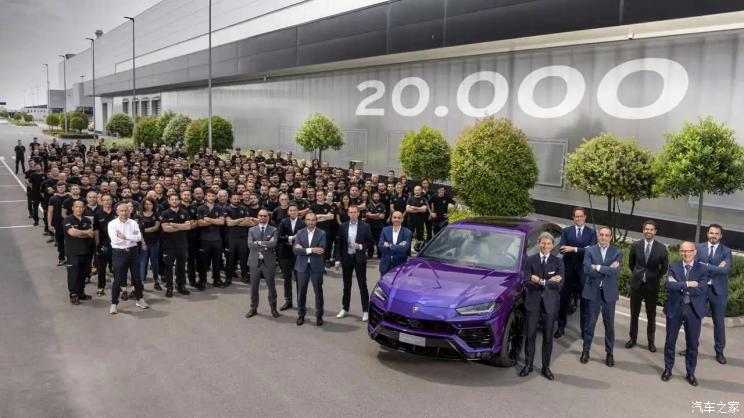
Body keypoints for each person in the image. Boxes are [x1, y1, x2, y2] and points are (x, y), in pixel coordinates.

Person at [662, 242, 708, 386]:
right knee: (670, 341)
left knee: (692, 344)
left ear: (695, 252)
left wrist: (679, 285)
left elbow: (702, 289)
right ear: (680, 252)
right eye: (683, 251)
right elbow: (668, 285)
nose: (686, 253)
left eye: (689, 251)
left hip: (693, 310)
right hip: (675, 308)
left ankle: (690, 373)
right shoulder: (674, 266)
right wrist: (688, 284)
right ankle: (668, 369)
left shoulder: (702, 268)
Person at [520, 232, 564, 380]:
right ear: (539, 243)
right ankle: (528, 365)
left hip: (550, 305)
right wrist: (550, 281)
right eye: (543, 243)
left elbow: (559, 285)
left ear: (553, 245)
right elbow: (526, 282)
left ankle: (546, 367)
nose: (546, 246)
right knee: (530, 335)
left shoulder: (558, 262)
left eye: (549, 244)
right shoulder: (530, 260)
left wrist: (540, 281)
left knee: (548, 337)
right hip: (533, 303)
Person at [580, 227, 621, 367]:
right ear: (598, 236)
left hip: (609, 294)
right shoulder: (590, 251)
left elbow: (615, 271)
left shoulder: (617, 252)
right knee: (590, 324)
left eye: (606, 235)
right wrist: (607, 269)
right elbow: (587, 270)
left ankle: (610, 353)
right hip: (593, 292)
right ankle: (586, 350)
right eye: (601, 235)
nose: (603, 237)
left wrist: (597, 267)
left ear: (611, 237)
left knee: (609, 326)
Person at [626, 220, 668, 352]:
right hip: (637, 285)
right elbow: (631, 264)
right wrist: (638, 274)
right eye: (646, 229)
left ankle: (651, 342)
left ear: (655, 232)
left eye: (651, 229)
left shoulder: (661, 248)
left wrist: (654, 277)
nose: (648, 231)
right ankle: (632, 339)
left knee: (651, 316)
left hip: (652, 286)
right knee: (634, 314)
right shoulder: (636, 245)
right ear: (643, 230)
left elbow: (664, 267)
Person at [557, 207, 597, 339]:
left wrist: (573, 248)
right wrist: (583, 249)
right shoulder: (566, 231)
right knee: (563, 300)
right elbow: (562, 248)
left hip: (583, 271)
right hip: (568, 270)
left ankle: (584, 330)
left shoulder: (591, 233)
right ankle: (561, 326)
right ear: (573, 218)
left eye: (581, 216)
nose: (579, 218)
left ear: (585, 217)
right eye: (576, 216)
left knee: (584, 302)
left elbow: (591, 250)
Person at [695, 224, 732, 364]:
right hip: (701, 289)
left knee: (719, 322)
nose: (713, 236)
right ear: (707, 233)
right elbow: (695, 265)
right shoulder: (699, 248)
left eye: (717, 234)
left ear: (720, 236)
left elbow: (725, 270)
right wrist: (716, 267)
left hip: (719, 292)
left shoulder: (726, 251)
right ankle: (692, 347)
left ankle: (719, 351)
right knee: (695, 319)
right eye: (711, 233)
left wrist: (705, 266)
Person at [108, 202, 149, 314]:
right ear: (117, 212)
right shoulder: (112, 224)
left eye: (126, 210)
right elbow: (115, 240)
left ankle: (140, 299)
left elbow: (138, 237)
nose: (124, 213)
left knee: (137, 278)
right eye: (121, 211)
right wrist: (131, 238)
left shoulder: (134, 223)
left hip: (133, 252)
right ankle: (114, 304)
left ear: (129, 211)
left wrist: (125, 236)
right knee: (118, 279)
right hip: (119, 253)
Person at [336, 205, 373, 322]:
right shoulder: (343, 226)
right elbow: (339, 244)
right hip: (347, 258)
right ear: (348, 214)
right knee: (346, 285)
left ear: (358, 213)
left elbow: (370, 242)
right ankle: (345, 308)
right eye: (350, 212)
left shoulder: (365, 226)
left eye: (354, 212)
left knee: (362, 285)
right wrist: (337, 259)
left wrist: (361, 246)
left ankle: (365, 310)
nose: (352, 214)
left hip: (359, 259)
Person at [293, 212, 326, 326]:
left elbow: (321, 250)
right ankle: (301, 315)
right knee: (301, 292)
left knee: (318, 292)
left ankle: (319, 315)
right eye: (308, 220)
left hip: (316, 266)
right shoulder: (299, 232)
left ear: (316, 221)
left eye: (313, 220)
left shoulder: (322, 233)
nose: (311, 222)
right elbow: (295, 250)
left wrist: (304, 249)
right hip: (302, 267)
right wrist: (312, 250)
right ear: (305, 221)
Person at [245, 209, 279, 318]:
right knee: (254, 287)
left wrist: (259, 242)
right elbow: (250, 245)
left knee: (271, 286)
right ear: (258, 216)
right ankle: (253, 308)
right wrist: (266, 243)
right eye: (261, 215)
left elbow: (273, 243)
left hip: (268, 262)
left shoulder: (273, 229)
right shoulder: (251, 230)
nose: (263, 217)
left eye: (265, 216)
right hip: (254, 262)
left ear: (268, 217)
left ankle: (273, 309)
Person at [160, 194, 192, 297]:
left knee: (181, 266)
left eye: (176, 199)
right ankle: (169, 287)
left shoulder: (184, 212)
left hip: (182, 244)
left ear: (179, 201)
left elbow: (188, 226)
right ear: (169, 201)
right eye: (172, 199)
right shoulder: (165, 213)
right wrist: (182, 226)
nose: (174, 201)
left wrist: (174, 225)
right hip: (169, 245)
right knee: (168, 267)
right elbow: (166, 229)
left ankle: (181, 285)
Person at [63, 200, 95, 305]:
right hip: (73, 252)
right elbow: (72, 233)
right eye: (77, 207)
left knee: (84, 274)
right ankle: (73, 294)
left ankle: (81, 292)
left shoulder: (87, 220)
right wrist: (85, 232)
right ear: (73, 208)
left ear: (84, 208)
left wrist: (80, 233)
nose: (79, 209)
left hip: (86, 251)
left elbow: (92, 234)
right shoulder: (68, 219)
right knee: (73, 274)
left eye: (81, 207)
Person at [277, 204, 304, 311]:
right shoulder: (283, 222)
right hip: (285, 254)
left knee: (299, 279)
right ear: (288, 212)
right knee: (287, 278)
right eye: (291, 210)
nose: (293, 212)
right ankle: (288, 301)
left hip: (298, 255)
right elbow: (279, 237)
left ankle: (300, 302)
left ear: (298, 211)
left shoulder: (303, 223)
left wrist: (296, 242)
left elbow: (305, 238)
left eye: (295, 210)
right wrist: (290, 238)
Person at [197, 189, 225, 288]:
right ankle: (202, 280)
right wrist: (215, 221)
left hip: (217, 239)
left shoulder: (219, 208)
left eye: (213, 196)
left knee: (216, 261)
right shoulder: (200, 208)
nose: (211, 198)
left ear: (216, 197)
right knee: (203, 261)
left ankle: (217, 280)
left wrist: (208, 219)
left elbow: (222, 222)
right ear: (205, 197)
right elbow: (200, 223)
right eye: (209, 196)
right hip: (204, 239)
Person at [224, 193, 251, 284]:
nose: (236, 200)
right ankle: (228, 277)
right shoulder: (226, 209)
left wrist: (234, 222)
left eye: (238, 199)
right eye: (234, 199)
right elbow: (229, 223)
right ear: (230, 199)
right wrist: (240, 219)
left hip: (243, 237)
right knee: (230, 259)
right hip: (231, 238)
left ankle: (245, 275)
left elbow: (247, 223)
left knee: (244, 258)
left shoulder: (244, 208)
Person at [137, 197, 162, 290]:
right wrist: (141, 231)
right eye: (146, 204)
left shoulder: (156, 214)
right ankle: (141, 282)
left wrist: (143, 230)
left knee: (154, 262)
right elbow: (137, 229)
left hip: (154, 242)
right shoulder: (139, 215)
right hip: (143, 242)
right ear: (143, 205)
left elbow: (156, 228)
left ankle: (156, 281)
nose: (148, 206)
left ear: (153, 205)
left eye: (150, 204)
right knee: (143, 263)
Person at [93, 194, 116, 296]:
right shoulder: (98, 214)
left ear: (112, 201)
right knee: (101, 269)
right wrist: (97, 244)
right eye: (105, 200)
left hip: (116, 245)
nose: (107, 202)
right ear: (101, 202)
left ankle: (118, 286)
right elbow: (96, 230)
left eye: (109, 200)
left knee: (116, 268)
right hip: (103, 245)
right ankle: (100, 287)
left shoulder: (116, 213)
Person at [378, 211, 412, 275]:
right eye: (395, 217)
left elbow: (404, 249)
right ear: (391, 219)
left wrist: (390, 245)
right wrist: (398, 246)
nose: (397, 219)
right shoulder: (385, 230)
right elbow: (380, 246)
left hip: (400, 266)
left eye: (399, 218)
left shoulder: (407, 232)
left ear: (402, 219)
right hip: (385, 265)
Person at [48, 182, 69, 265]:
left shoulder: (69, 197)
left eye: (62, 187)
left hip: (69, 223)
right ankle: (61, 258)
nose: (61, 189)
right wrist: (49, 224)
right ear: (57, 188)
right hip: (58, 223)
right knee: (60, 242)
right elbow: (50, 212)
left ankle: (70, 258)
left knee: (70, 241)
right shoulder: (53, 199)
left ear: (65, 188)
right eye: (59, 187)